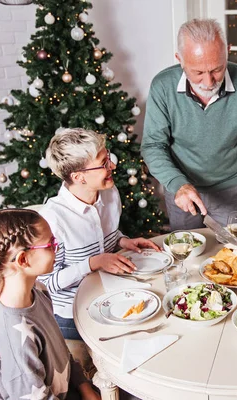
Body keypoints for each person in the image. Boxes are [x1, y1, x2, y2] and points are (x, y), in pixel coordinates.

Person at [142, 18, 237, 235]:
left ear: (227, 52)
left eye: (217, 69)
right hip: (183, 191)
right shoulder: (163, 86)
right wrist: (178, 185)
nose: (209, 82)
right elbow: (153, 146)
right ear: (179, 59)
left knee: (233, 256)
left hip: (231, 189)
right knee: (188, 257)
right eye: (198, 72)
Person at [39, 128, 160, 342]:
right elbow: (46, 283)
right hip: (73, 312)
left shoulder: (110, 193)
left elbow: (105, 237)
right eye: (104, 163)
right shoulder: (53, 219)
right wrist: (93, 262)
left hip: (110, 292)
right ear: (79, 177)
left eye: (108, 157)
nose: (112, 165)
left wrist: (123, 240)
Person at [0, 209, 100, 399]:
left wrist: (84, 385)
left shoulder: (39, 290)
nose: (56, 247)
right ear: (23, 259)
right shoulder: (14, 337)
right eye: (50, 244)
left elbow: (60, 349)